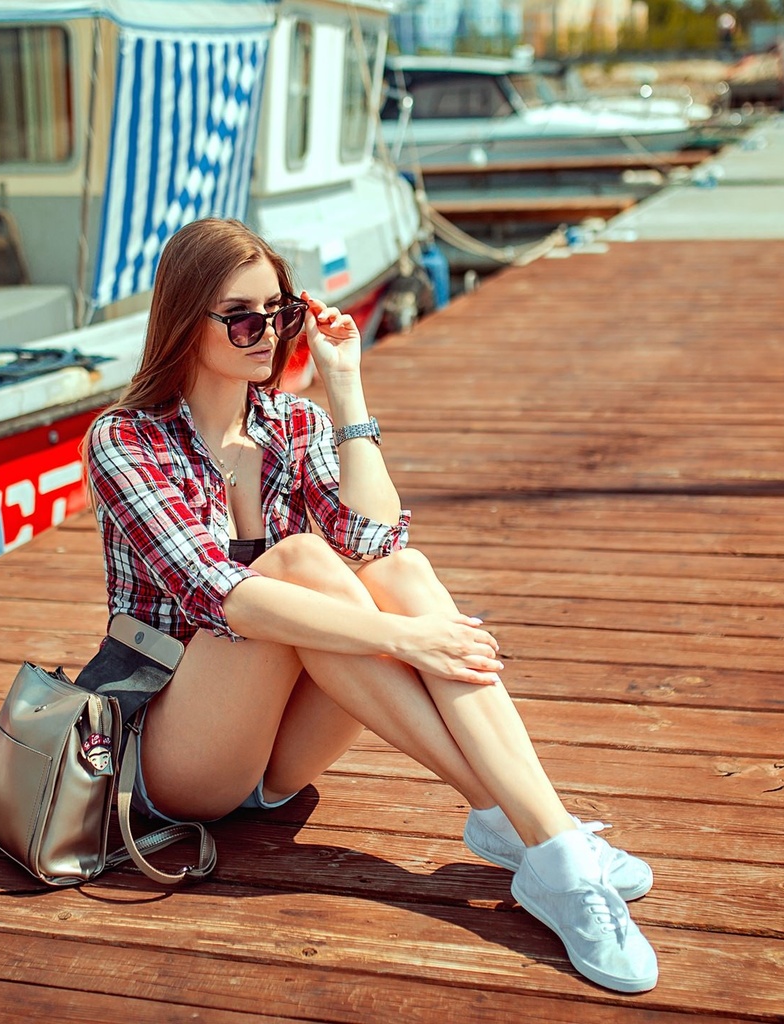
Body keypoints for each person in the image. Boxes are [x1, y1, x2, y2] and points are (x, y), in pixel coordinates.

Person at [84, 218, 658, 994]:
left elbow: (374, 539)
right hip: (178, 758)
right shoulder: (125, 441)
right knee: (300, 561)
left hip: (280, 759)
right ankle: (547, 841)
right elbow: (220, 594)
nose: (267, 334)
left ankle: (536, 837)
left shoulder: (293, 423)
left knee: (407, 571)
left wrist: (345, 385)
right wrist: (407, 641)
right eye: (244, 318)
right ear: (187, 321)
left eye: (279, 313)